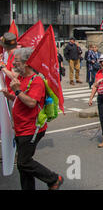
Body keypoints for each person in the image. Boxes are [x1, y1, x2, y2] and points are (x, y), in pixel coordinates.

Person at [1, 47, 63, 190]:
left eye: (17, 62)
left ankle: (54, 179)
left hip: (31, 129)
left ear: (27, 63)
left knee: (23, 163)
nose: (14, 64)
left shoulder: (37, 81)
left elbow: (31, 103)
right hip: (20, 128)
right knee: (23, 168)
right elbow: (18, 99)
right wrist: (9, 95)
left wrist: (17, 90)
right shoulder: (21, 78)